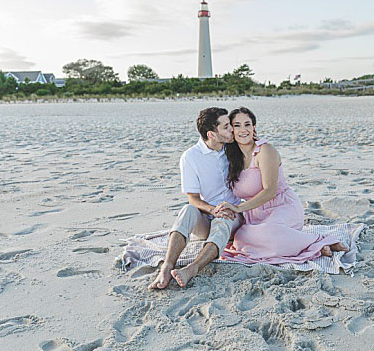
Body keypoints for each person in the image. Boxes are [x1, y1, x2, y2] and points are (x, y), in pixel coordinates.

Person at [217, 107, 347, 263]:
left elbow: (270, 191)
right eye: (237, 125)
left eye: (247, 124)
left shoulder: (265, 151)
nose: (243, 130)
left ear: (254, 128)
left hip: (283, 207)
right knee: (241, 236)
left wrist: (238, 209)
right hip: (256, 216)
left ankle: (316, 240)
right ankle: (306, 243)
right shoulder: (232, 158)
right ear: (231, 130)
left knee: (266, 235)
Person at [149, 107, 244, 290]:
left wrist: (224, 211)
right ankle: (167, 266)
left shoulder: (234, 149)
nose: (232, 129)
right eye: (226, 127)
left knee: (223, 220)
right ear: (212, 134)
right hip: (207, 218)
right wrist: (212, 210)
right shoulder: (191, 157)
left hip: (233, 218)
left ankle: (192, 269)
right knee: (187, 209)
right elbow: (193, 199)